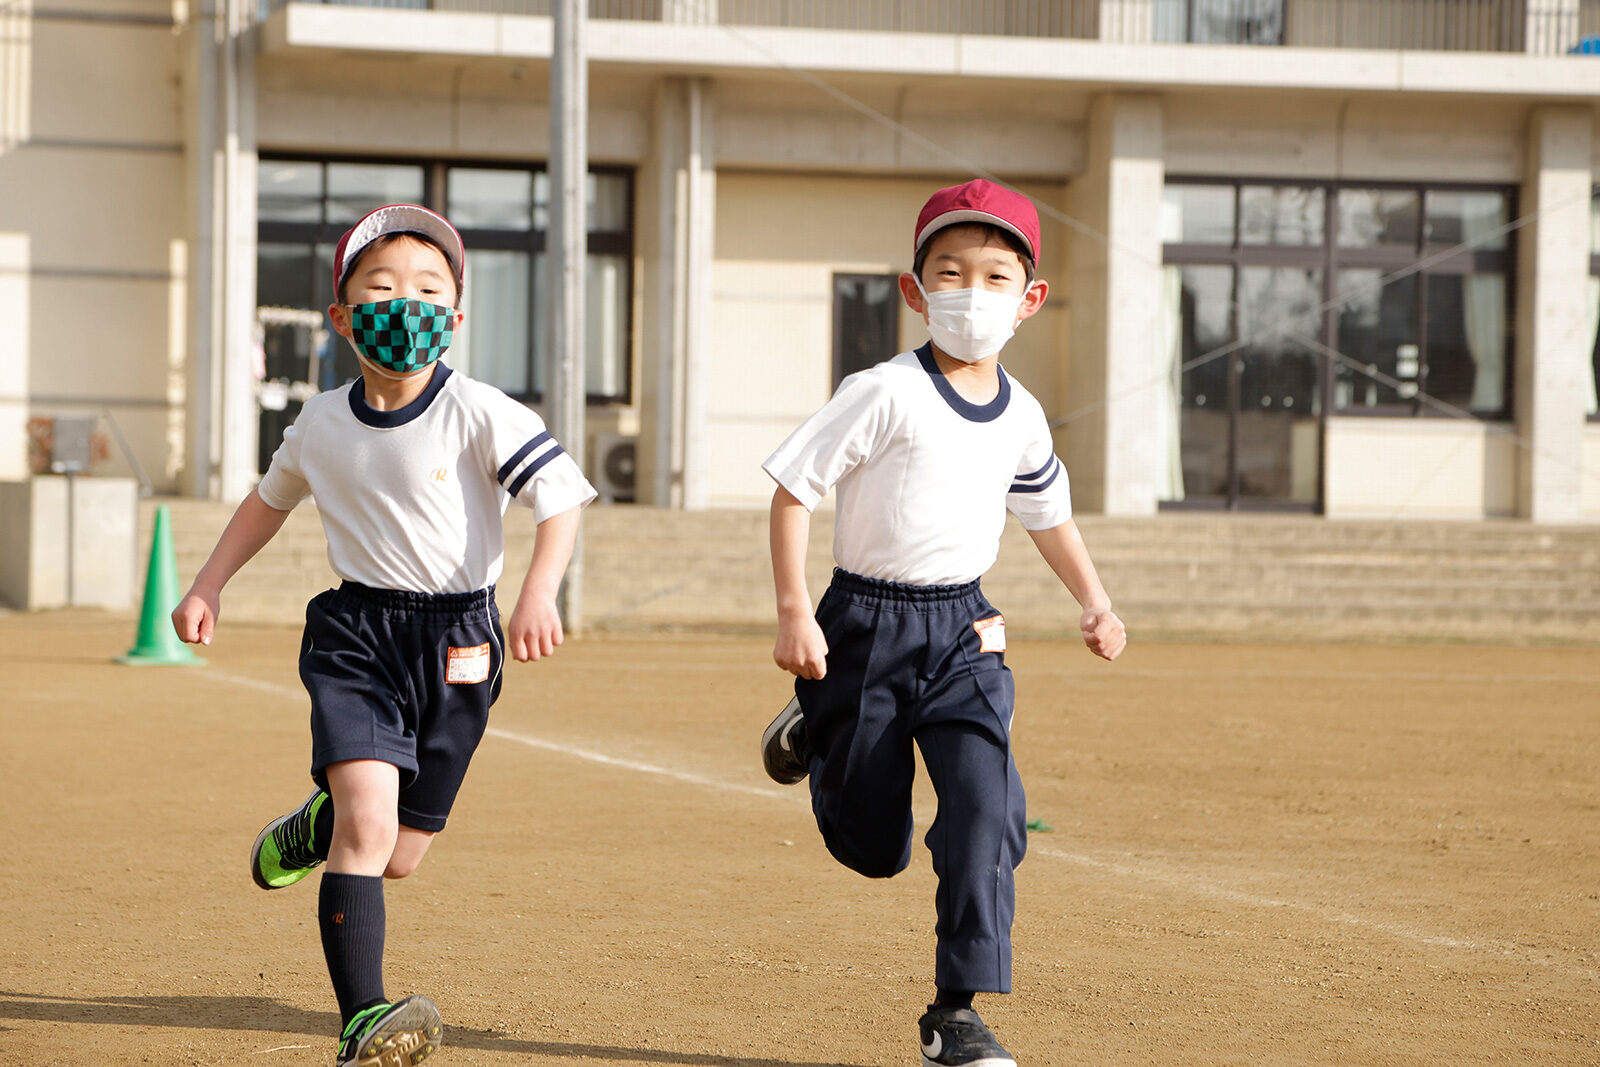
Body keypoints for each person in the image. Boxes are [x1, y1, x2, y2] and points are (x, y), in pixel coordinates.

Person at [172, 203, 596, 1067]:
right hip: (358, 635)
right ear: (341, 315)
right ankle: (363, 1013)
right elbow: (267, 502)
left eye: (429, 288)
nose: (405, 302)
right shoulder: (322, 422)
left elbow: (561, 501)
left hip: (462, 646)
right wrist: (208, 581)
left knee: (399, 855)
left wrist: (537, 593)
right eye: (382, 286)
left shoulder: (481, 411)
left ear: (456, 316)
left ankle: (320, 814)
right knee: (369, 830)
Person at [758, 179, 1126, 1067]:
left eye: (996, 275)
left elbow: (1049, 517)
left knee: (987, 807)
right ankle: (821, 729)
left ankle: (954, 1011)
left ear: (1028, 299)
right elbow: (791, 491)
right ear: (916, 290)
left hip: (965, 629)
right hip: (862, 627)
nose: (973, 291)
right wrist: (794, 610)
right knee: (872, 847)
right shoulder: (880, 390)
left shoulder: (1025, 415)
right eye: (950, 272)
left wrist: (1095, 597)